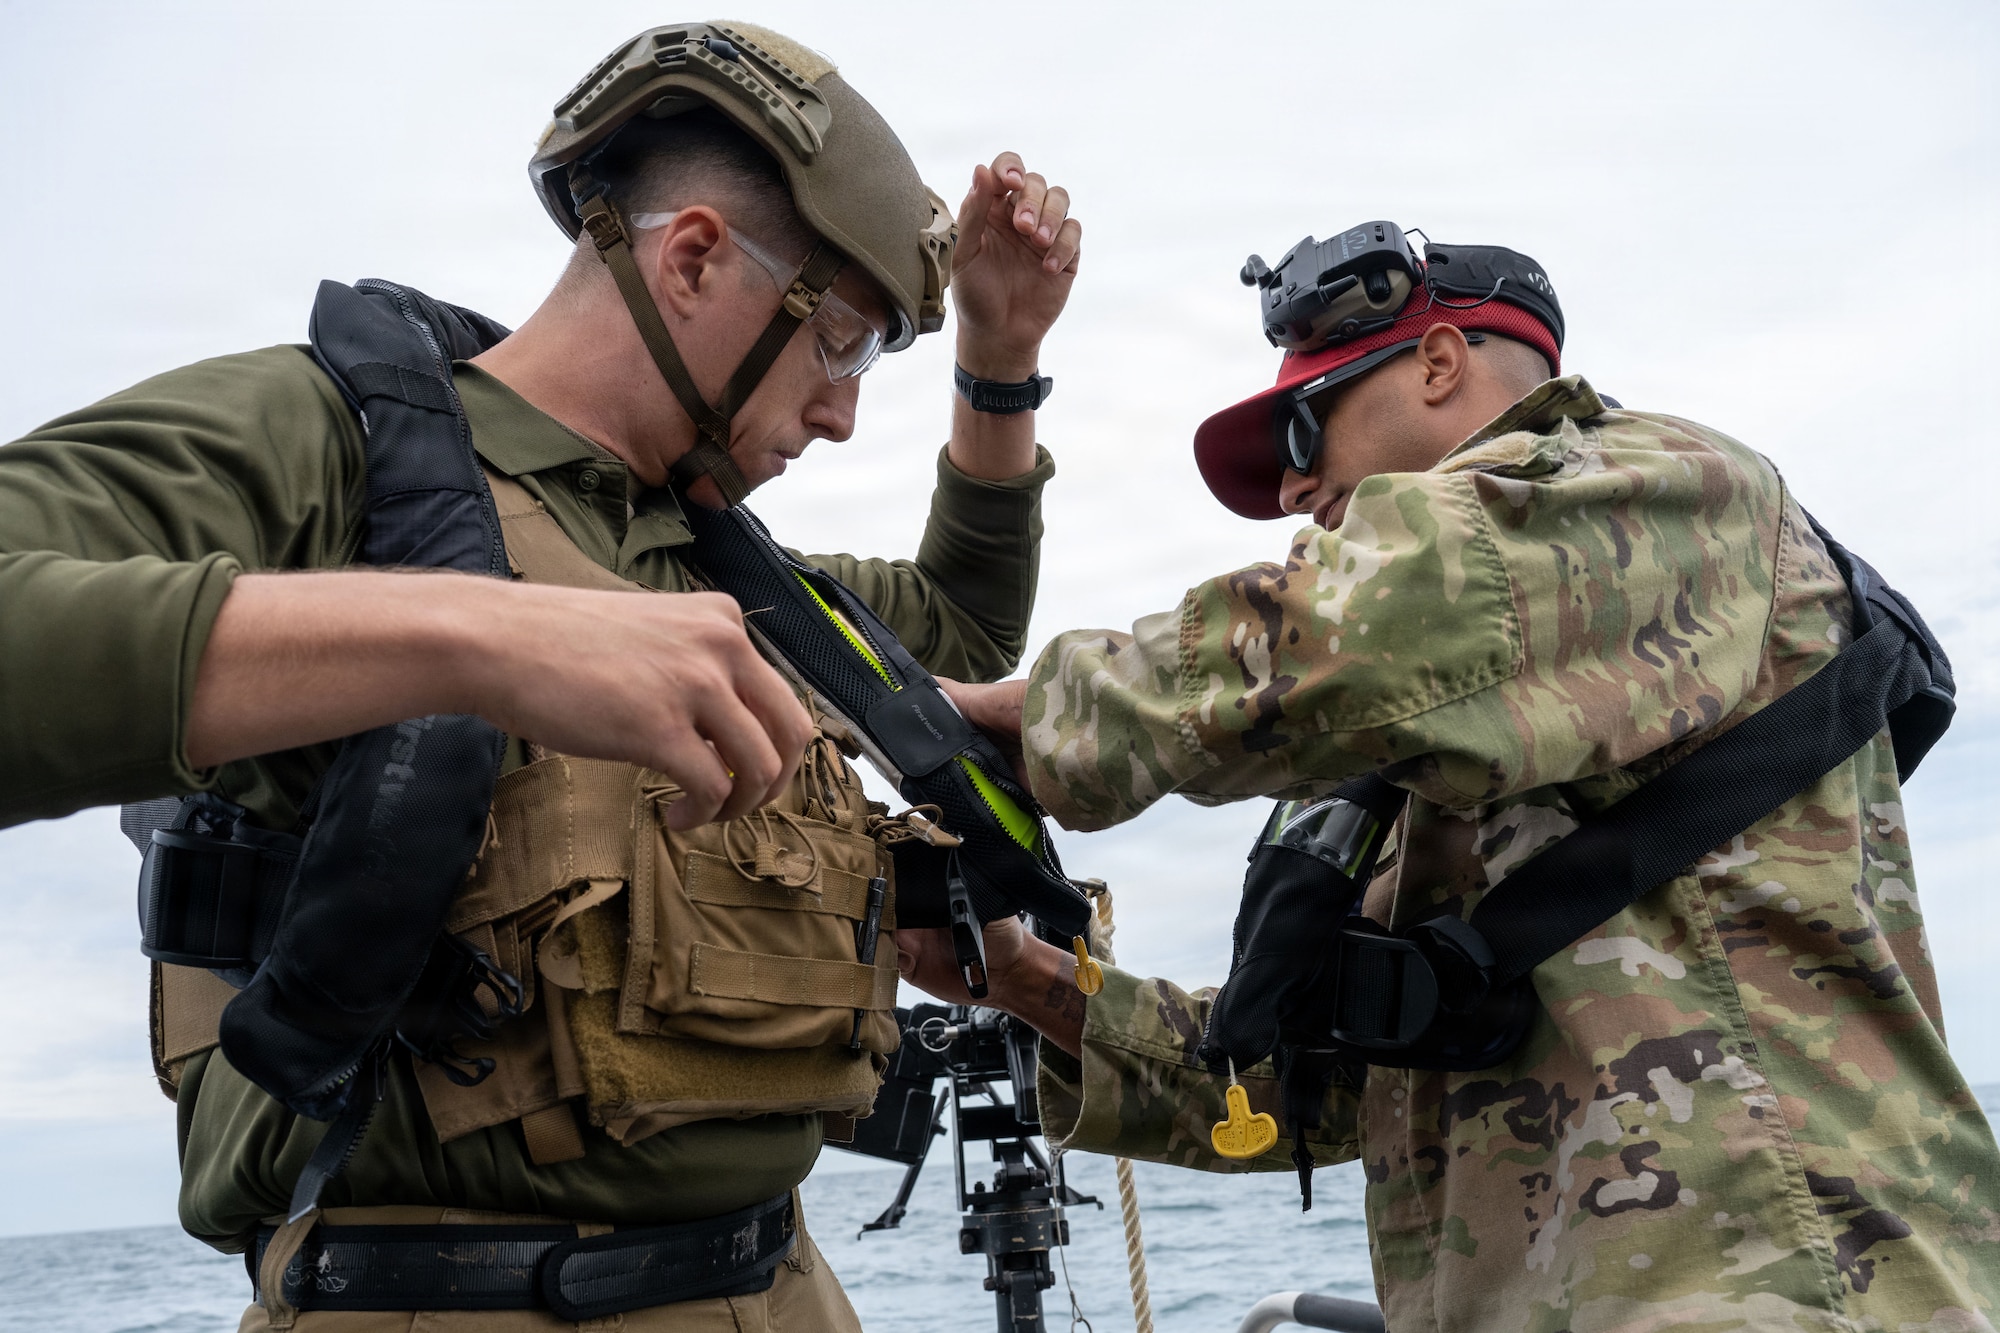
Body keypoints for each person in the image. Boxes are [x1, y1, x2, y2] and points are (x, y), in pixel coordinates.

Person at [0, 21, 1082, 1330]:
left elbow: (961, 626)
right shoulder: (324, 448)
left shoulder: (727, 568)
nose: (843, 414)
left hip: (783, 1289)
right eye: (842, 343)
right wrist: (475, 639)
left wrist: (999, 359)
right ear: (692, 257)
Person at [902, 226, 1999, 1328]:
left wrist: (1020, 719)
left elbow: (1378, 626)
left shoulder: (1669, 490)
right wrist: (1024, 975)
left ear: (1437, 363)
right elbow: (1313, 1087)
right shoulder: (1412, 776)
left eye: (1302, 426)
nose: (1290, 487)